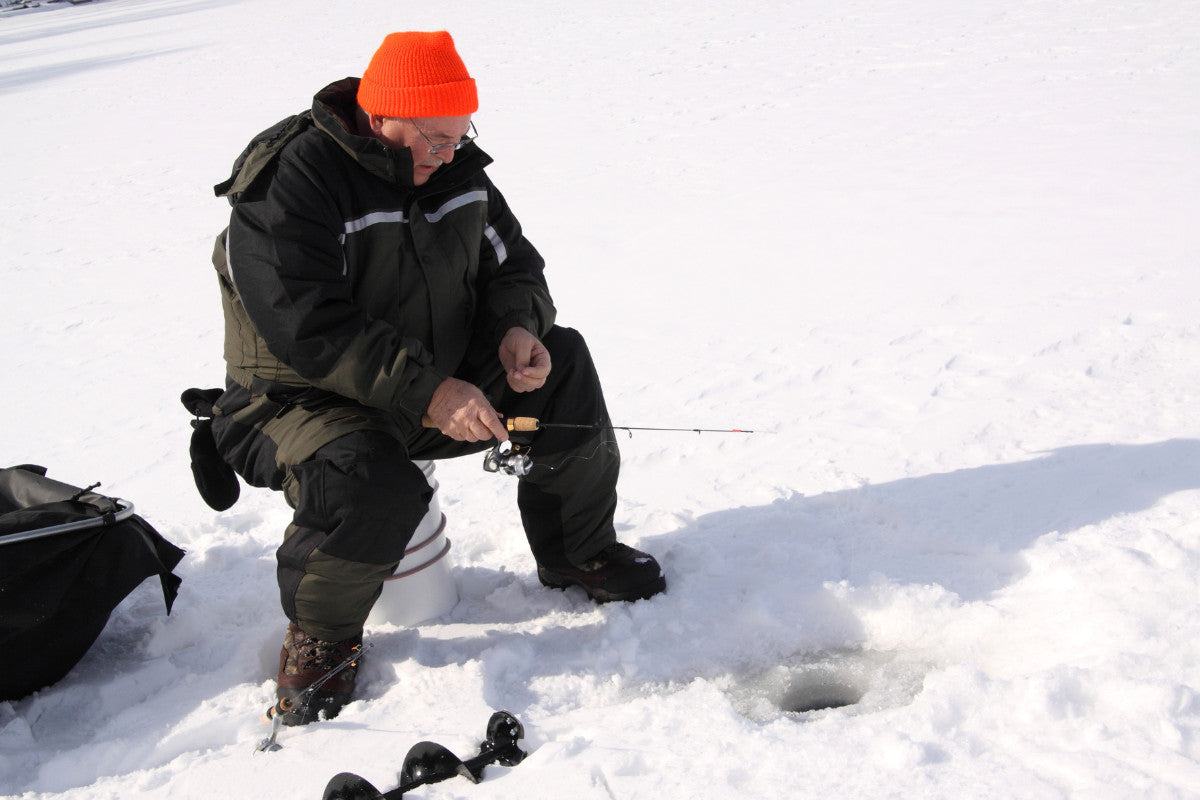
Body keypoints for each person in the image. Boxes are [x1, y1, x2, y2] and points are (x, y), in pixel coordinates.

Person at [202, 31, 666, 726]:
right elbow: (307, 326)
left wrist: (518, 329)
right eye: (432, 140)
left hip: (430, 384)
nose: (446, 156)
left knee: (560, 361)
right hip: (299, 399)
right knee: (368, 480)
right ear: (381, 115)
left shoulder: (458, 173)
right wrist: (430, 393)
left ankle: (577, 553)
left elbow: (518, 269)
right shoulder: (294, 180)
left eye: (458, 138)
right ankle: (322, 639)